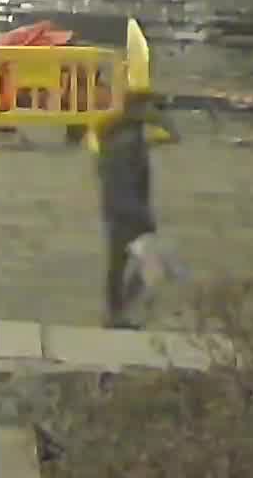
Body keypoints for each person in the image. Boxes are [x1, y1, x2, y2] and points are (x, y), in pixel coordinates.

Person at [98, 90, 158, 327]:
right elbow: (123, 181)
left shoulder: (123, 138)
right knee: (153, 264)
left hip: (119, 211)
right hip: (128, 213)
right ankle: (119, 312)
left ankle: (117, 312)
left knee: (119, 264)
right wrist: (140, 214)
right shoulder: (128, 144)